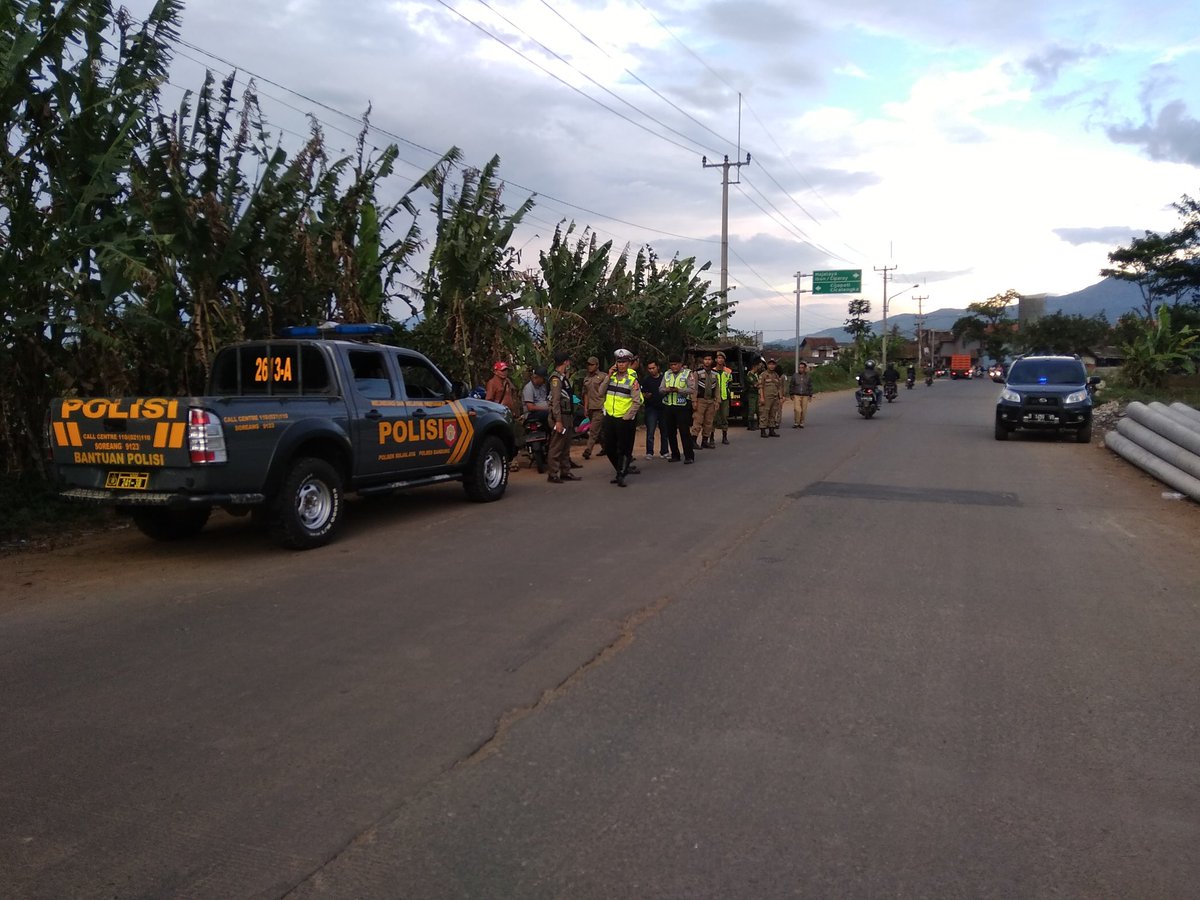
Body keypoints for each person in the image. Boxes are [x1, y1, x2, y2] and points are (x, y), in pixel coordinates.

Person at [602, 349, 642, 487]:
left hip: (623, 419)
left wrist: (627, 417)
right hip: (610, 417)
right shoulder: (611, 378)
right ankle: (619, 470)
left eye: (624, 362)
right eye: (619, 362)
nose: (621, 365)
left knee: (623, 449)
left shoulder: (632, 380)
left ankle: (621, 474)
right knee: (608, 447)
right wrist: (608, 376)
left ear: (629, 363)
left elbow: (637, 401)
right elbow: (600, 392)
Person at [546, 352, 580, 483]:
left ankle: (565, 471)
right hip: (560, 416)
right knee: (556, 445)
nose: (569, 364)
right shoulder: (555, 379)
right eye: (568, 362)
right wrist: (558, 420)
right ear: (565, 362)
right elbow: (555, 401)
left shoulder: (563, 377)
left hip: (567, 415)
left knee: (566, 445)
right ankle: (553, 473)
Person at [486, 361, 524, 468]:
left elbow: (512, 395)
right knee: (503, 437)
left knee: (513, 436)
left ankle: (513, 458)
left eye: (506, 370)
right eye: (502, 370)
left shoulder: (507, 381)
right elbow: (489, 400)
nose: (505, 372)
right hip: (499, 414)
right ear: (496, 372)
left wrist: (515, 411)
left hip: (509, 413)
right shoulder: (492, 383)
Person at [660, 353, 696, 464]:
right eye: (671, 365)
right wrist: (667, 390)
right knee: (670, 432)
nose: (673, 367)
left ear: (680, 364)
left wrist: (678, 390)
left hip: (682, 406)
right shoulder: (667, 374)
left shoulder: (687, 373)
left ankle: (689, 456)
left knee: (684, 432)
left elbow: (692, 389)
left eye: (675, 364)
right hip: (669, 406)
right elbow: (660, 389)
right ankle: (675, 455)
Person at [640, 359, 670, 459]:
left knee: (664, 431)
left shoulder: (664, 379)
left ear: (658, 367)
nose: (651, 370)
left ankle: (664, 451)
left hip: (663, 407)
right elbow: (641, 393)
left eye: (653, 368)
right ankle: (649, 452)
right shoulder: (646, 380)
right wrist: (645, 395)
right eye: (649, 368)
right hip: (651, 408)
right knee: (650, 431)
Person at [691, 352, 720, 449]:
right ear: (703, 361)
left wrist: (717, 401)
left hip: (711, 401)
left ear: (712, 361)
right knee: (698, 421)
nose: (707, 361)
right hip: (700, 400)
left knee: (709, 422)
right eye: (706, 359)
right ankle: (693, 441)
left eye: (709, 359)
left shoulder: (715, 374)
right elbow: (694, 388)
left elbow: (717, 388)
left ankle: (705, 441)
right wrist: (694, 401)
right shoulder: (697, 373)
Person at [580, 356, 607, 460]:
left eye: (592, 364)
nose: (589, 366)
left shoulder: (603, 377)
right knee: (599, 431)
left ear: (597, 365)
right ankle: (606, 448)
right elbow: (585, 394)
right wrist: (585, 407)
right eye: (588, 364)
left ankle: (588, 450)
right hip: (591, 407)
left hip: (600, 407)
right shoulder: (586, 379)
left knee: (593, 430)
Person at [758, 357, 784, 437]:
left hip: (775, 398)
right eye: (770, 364)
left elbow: (779, 387)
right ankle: (763, 431)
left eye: (773, 364)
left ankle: (771, 430)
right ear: (767, 365)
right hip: (766, 398)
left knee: (773, 414)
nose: (772, 366)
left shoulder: (776, 375)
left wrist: (781, 397)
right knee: (764, 414)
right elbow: (760, 387)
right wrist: (762, 397)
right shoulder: (763, 375)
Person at [713, 351, 732, 444]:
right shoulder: (712, 371)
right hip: (714, 399)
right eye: (718, 358)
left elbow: (730, 383)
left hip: (724, 398)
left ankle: (724, 437)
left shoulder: (728, 371)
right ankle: (711, 438)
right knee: (713, 419)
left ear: (724, 360)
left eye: (722, 358)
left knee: (724, 417)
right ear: (716, 360)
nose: (720, 360)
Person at [788, 360, 813, 428]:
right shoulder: (795, 376)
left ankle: (801, 422)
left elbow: (810, 386)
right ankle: (796, 422)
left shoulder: (808, 377)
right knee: (797, 409)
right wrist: (791, 394)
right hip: (797, 395)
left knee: (803, 410)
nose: (800, 369)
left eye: (802, 367)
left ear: (805, 368)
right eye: (799, 367)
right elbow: (791, 385)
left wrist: (810, 395)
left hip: (805, 395)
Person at [744, 358, 763, 430]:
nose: (760, 367)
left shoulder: (756, 375)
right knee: (752, 409)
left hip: (756, 394)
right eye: (759, 365)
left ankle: (758, 424)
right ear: (755, 366)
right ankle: (750, 425)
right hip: (751, 394)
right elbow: (755, 384)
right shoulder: (749, 375)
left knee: (758, 409)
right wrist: (760, 383)